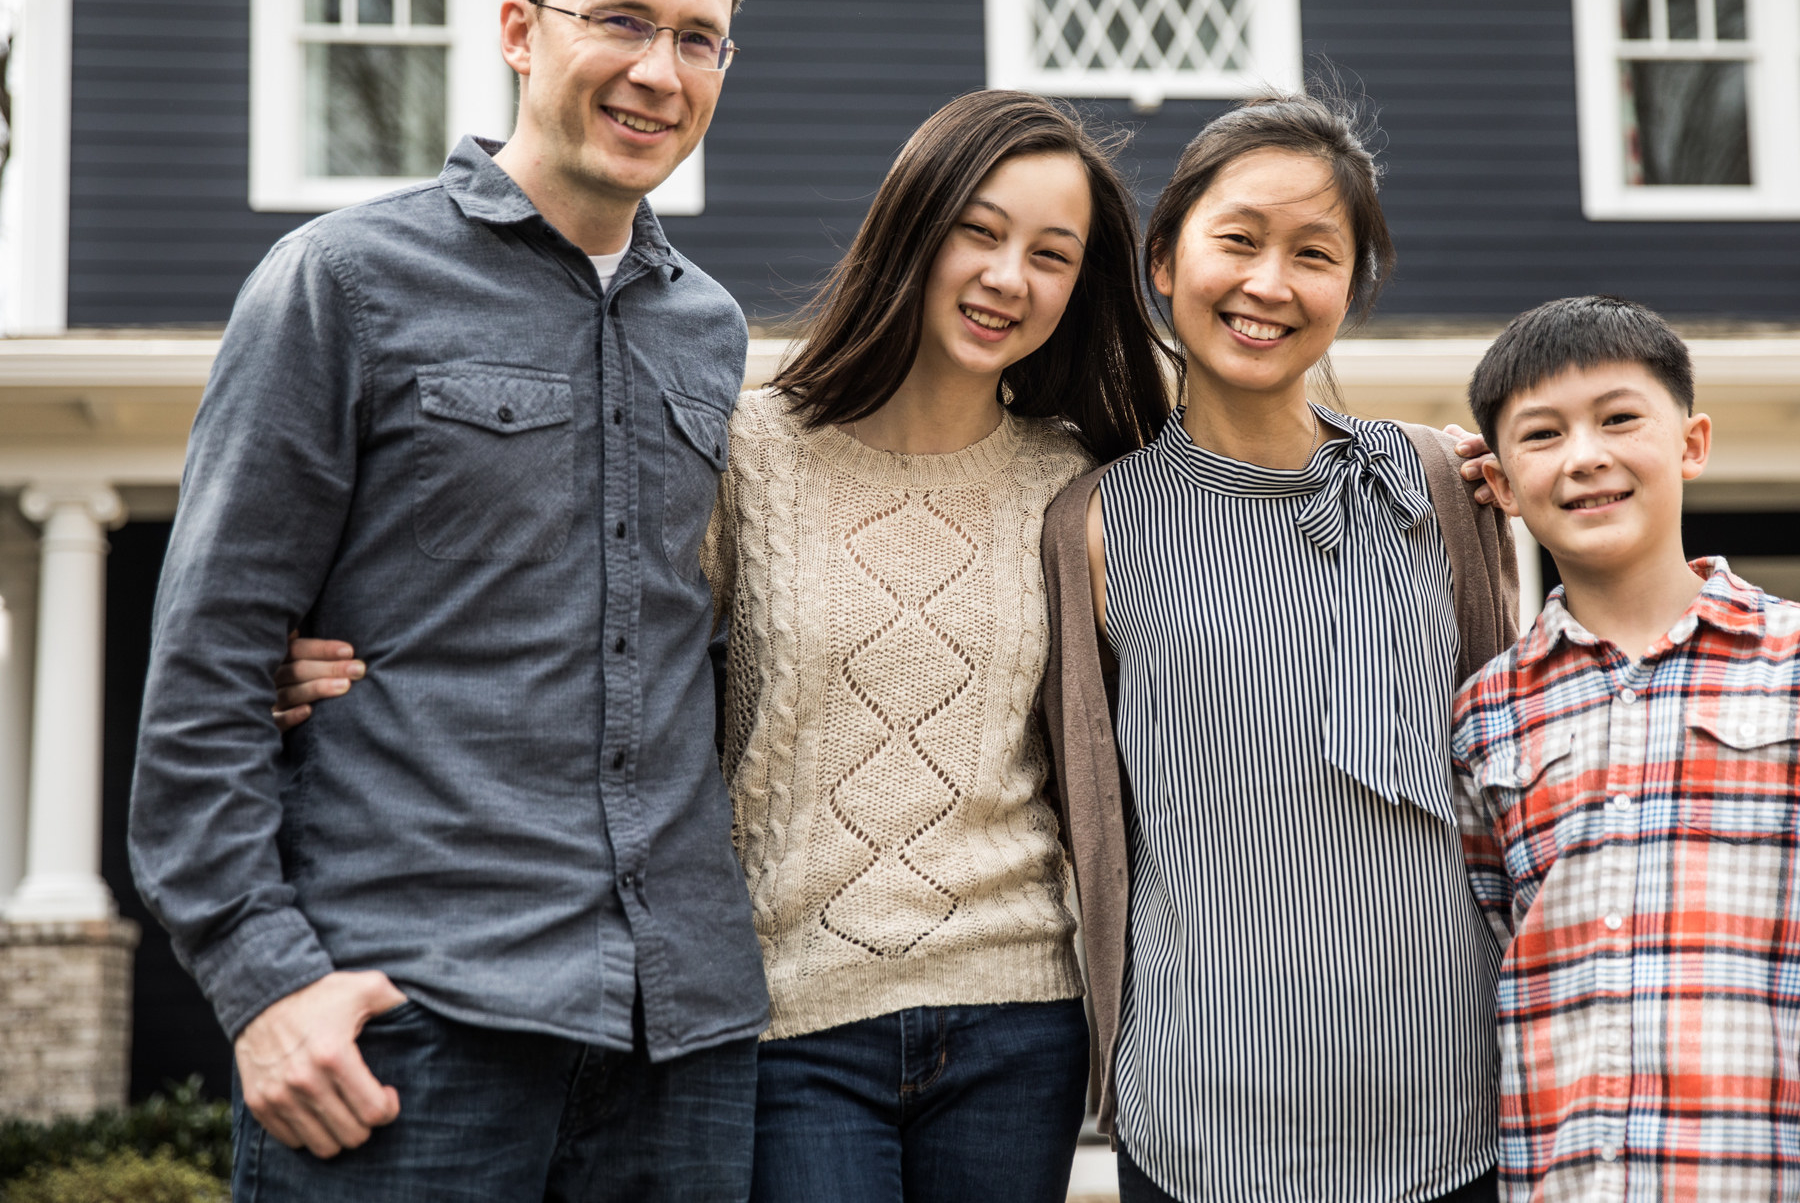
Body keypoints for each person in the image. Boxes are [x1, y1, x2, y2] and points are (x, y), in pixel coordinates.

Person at [273, 88, 1174, 1202]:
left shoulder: (1082, 487)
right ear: (913, 228)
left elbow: (1244, 558)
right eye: (979, 232)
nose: (1007, 277)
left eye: (1052, 254)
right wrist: (328, 652)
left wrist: (1448, 463)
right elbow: (583, 625)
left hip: (1019, 1018)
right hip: (790, 1016)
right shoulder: (746, 450)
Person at [128, 0, 768, 1202]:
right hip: (414, 1022)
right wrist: (263, 985)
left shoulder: (712, 333)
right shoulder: (343, 282)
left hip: (683, 1044)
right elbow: (207, 669)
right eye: (622, 20)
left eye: (697, 37)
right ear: (520, 30)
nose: (662, 70)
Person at [1037, 92, 1521, 1203]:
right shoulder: (1089, 523)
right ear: (1163, 260)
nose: (1268, 284)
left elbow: (1511, 756)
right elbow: (1087, 817)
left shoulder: (1436, 484)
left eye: (1313, 253)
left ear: (1349, 288)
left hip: (1457, 1106)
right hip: (1199, 1115)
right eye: (1238, 239)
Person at [1449, 295, 1800, 1202]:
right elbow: (1482, 960)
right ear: (1506, 488)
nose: (1586, 455)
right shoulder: (1489, 710)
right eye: (1543, 434)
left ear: (1692, 442)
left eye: (1620, 417)